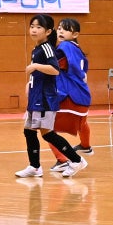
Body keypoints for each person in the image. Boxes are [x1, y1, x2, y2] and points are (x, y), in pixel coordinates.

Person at [17, 14, 83, 180]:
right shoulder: (37, 49)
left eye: (38, 27)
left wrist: (35, 66)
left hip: (45, 99)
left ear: (47, 31)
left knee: (47, 133)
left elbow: (54, 69)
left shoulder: (47, 48)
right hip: (35, 97)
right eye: (32, 26)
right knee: (29, 131)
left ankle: (77, 160)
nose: (34, 29)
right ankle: (35, 166)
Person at [55, 17, 95, 163]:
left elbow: (54, 66)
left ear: (75, 34)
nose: (60, 30)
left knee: (46, 128)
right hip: (83, 95)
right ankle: (85, 145)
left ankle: (62, 160)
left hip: (69, 95)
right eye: (59, 28)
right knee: (82, 123)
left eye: (65, 29)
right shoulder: (78, 51)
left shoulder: (64, 47)